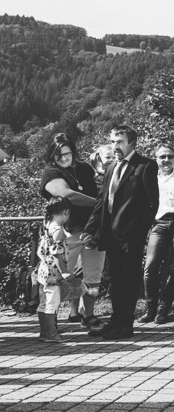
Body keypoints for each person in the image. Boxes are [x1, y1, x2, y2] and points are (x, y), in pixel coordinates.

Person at [82, 126, 159, 340]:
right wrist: (90, 228)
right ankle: (115, 321)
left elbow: (152, 204)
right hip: (110, 234)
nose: (115, 146)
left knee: (129, 280)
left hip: (131, 236)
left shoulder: (145, 166)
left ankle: (125, 325)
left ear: (132, 143)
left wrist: (137, 231)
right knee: (116, 280)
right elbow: (102, 201)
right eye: (113, 141)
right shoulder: (110, 167)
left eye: (120, 142)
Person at [39, 133, 104, 328]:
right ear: (52, 156)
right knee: (61, 275)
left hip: (94, 229)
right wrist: (101, 205)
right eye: (59, 155)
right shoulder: (50, 173)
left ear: (73, 153)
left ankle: (88, 315)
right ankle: (52, 319)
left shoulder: (84, 168)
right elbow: (67, 195)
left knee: (93, 275)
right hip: (68, 232)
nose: (64, 158)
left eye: (67, 153)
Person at [142, 144, 174, 325]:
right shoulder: (151, 177)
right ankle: (150, 308)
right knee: (150, 267)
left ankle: (163, 309)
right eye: (162, 157)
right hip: (159, 223)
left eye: (170, 156)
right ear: (156, 159)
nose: (166, 160)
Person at [36, 196, 79, 342]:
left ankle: (44, 332)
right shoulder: (58, 231)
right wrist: (65, 271)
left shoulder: (47, 225)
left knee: (44, 303)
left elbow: (62, 247)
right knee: (52, 304)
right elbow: (57, 253)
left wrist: (80, 242)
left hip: (44, 270)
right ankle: (51, 334)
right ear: (66, 212)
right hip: (54, 272)